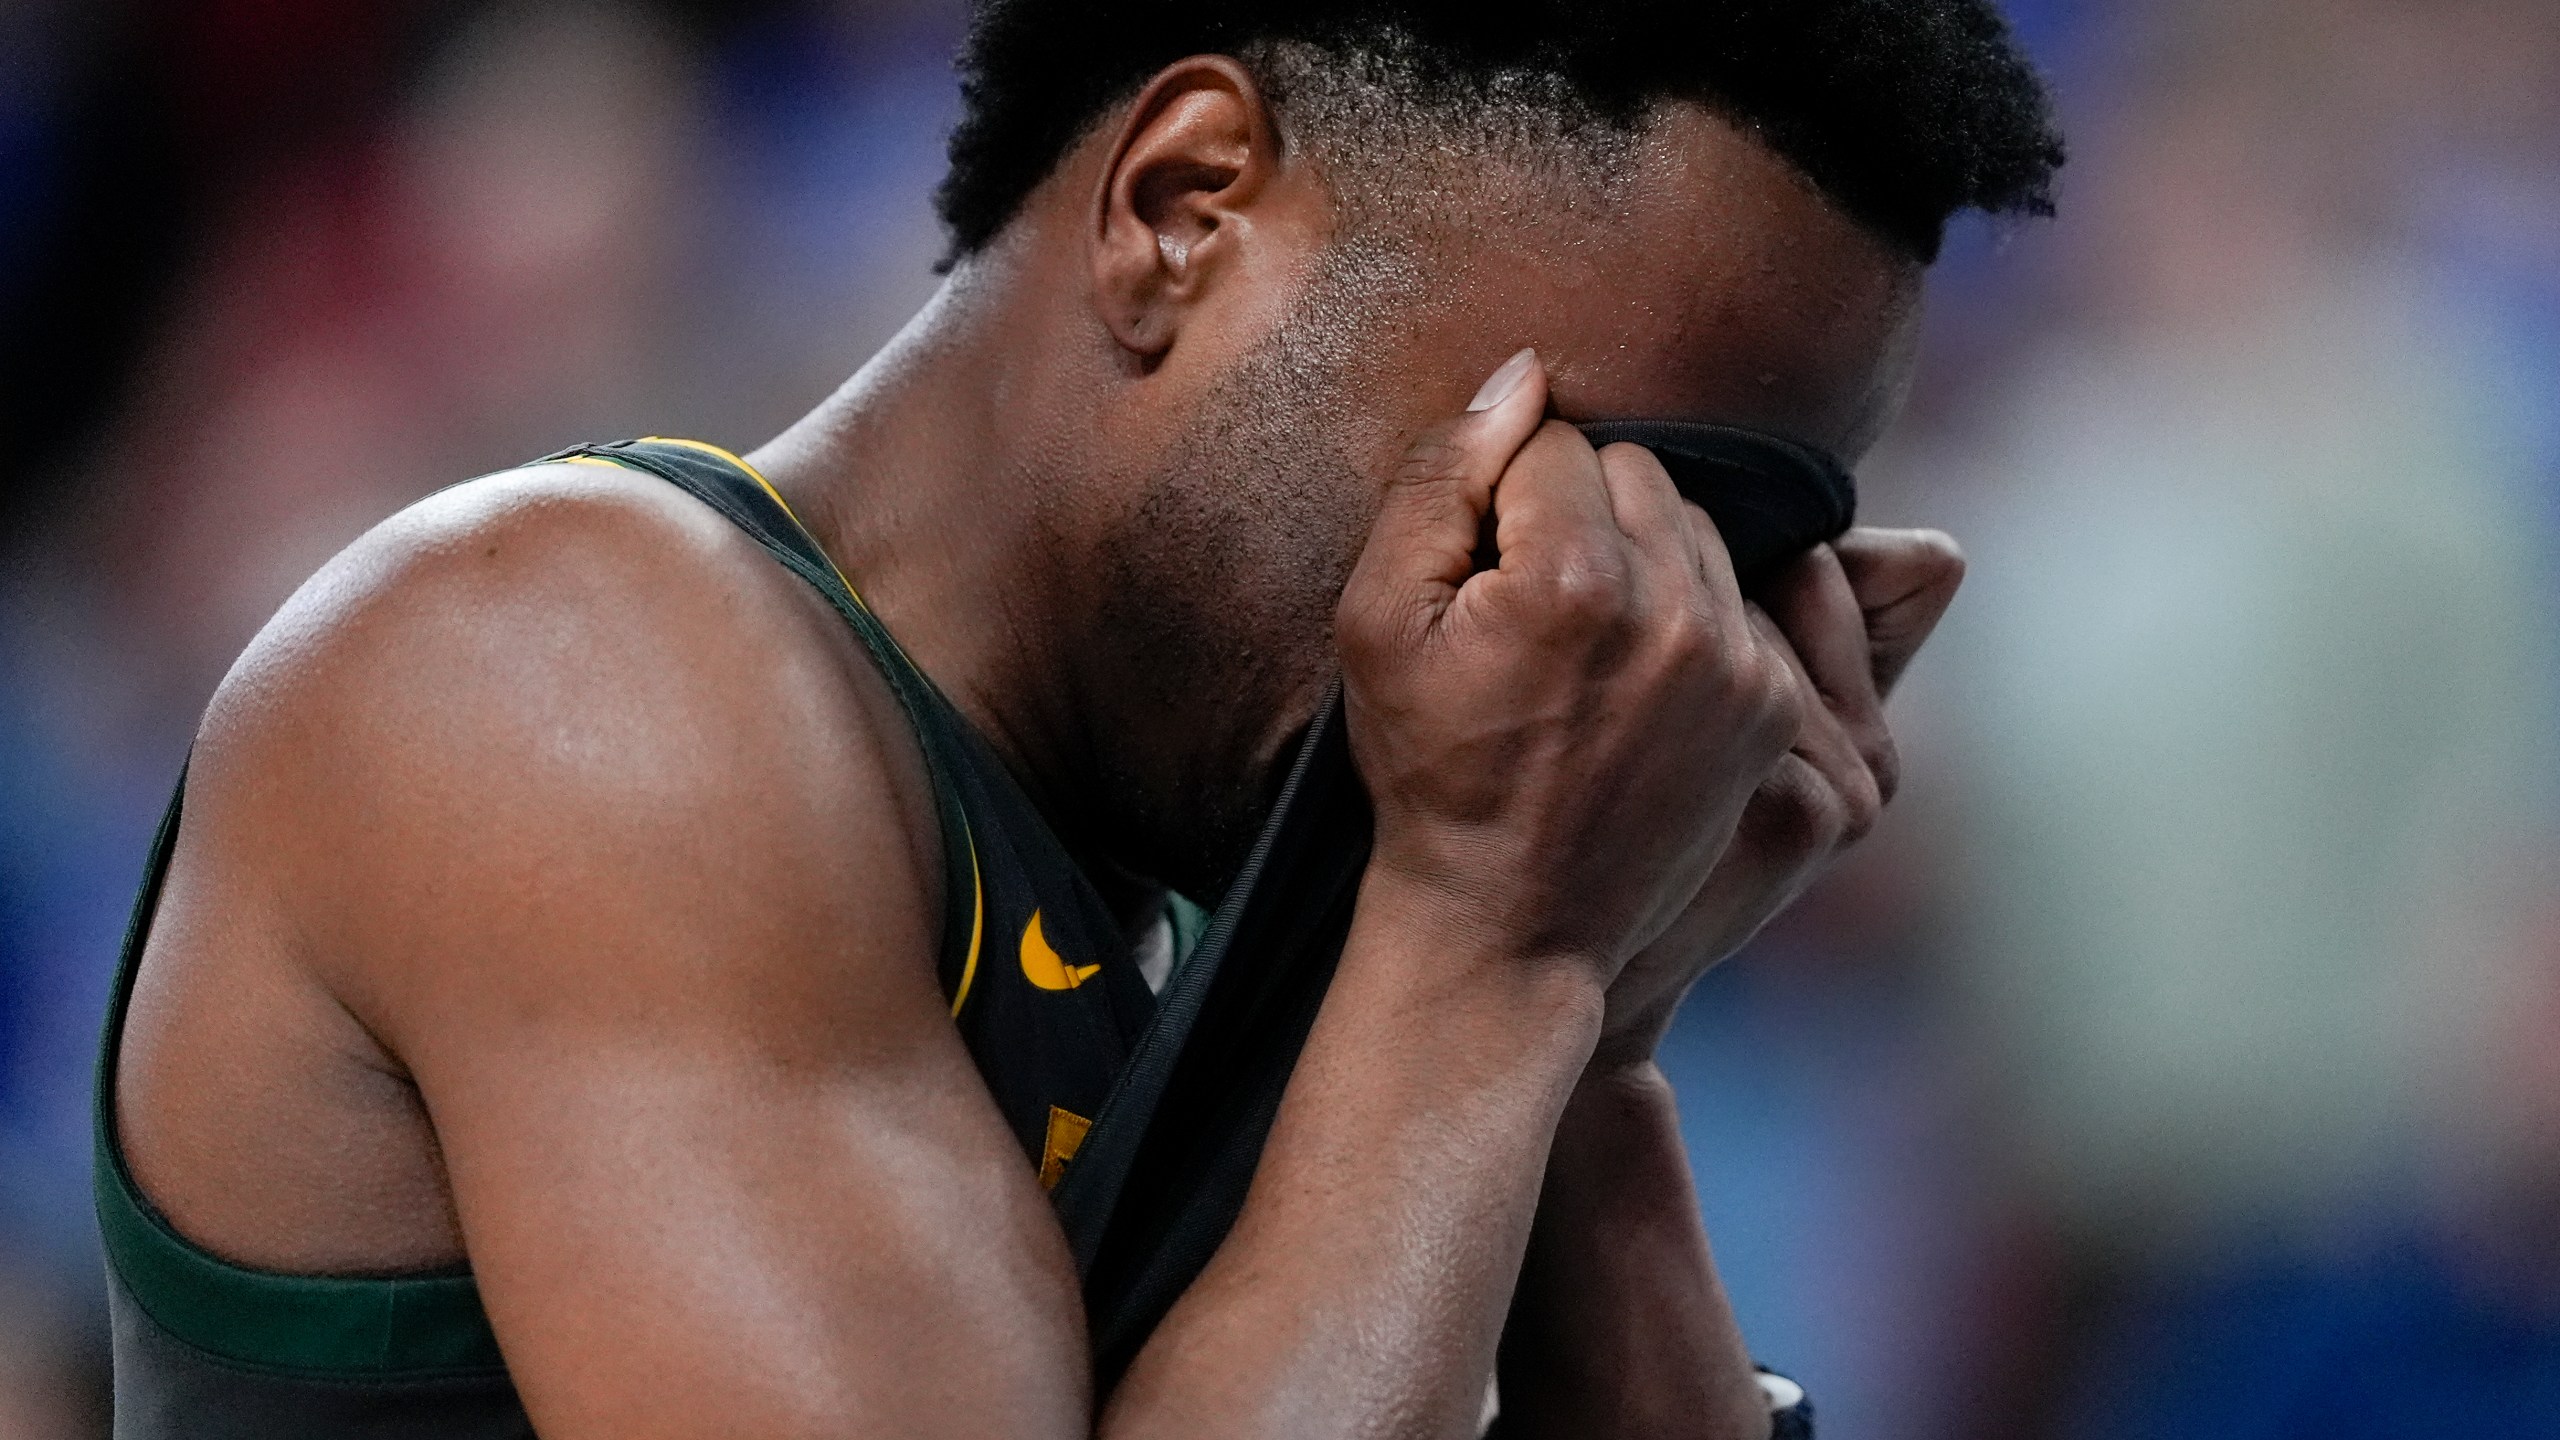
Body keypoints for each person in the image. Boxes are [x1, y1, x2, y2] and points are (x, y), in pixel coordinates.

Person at [94, 2, 2060, 1435]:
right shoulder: (559, 667)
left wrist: (1598, 1035)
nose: (1622, 630)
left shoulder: (1305, 882)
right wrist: (1499, 946)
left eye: (1711, 549)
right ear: (1180, 208)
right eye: (1567, 485)